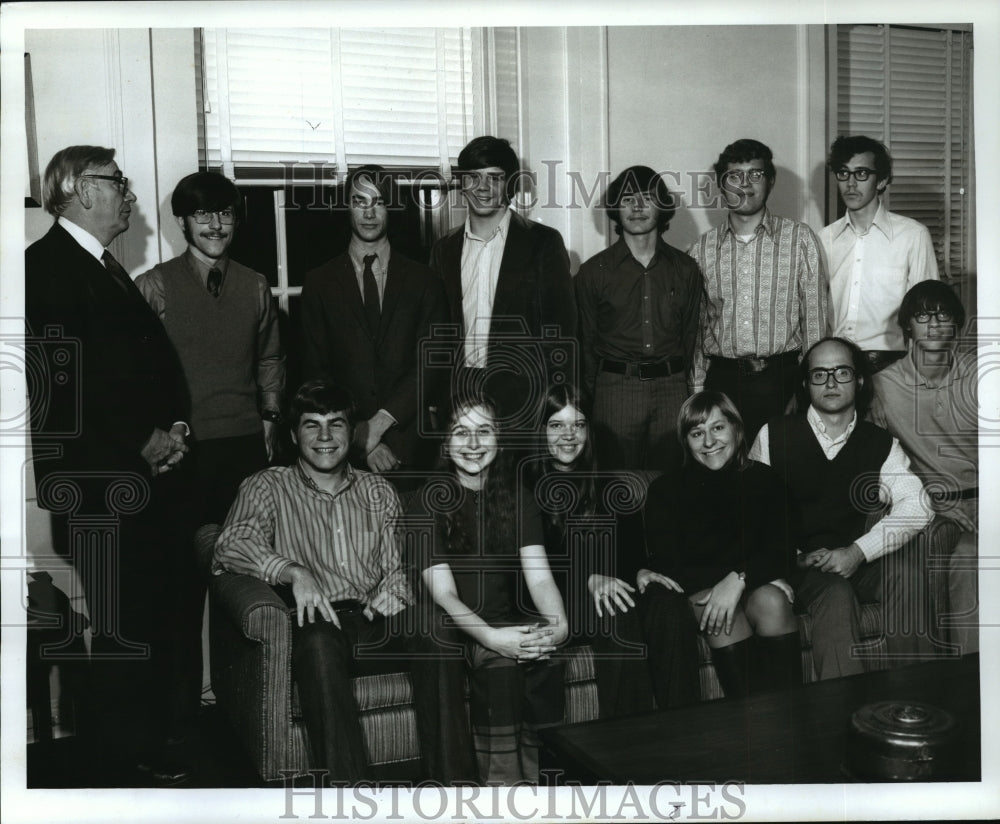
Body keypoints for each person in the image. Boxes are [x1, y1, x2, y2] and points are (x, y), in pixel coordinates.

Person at [25, 145, 191, 784]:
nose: (127, 193)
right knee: (124, 624)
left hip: (133, 479)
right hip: (97, 485)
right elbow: (65, 386)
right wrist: (141, 440)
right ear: (78, 190)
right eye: (116, 181)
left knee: (138, 617)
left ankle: (133, 751)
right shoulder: (45, 268)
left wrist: (173, 428)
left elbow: (151, 367)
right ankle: (121, 767)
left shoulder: (103, 266)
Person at [212, 381, 430, 784]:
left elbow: (402, 564)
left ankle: (456, 787)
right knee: (317, 641)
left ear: (353, 432)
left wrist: (396, 586)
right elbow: (230, 545)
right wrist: (293, 571)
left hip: (373, 620)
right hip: (317, 623)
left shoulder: (378, 490)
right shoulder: (268, 485)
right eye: (312, 425)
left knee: (435, 633)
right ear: (294, 435)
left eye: (337, 424)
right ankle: (348, 796)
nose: (326, 437)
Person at [135, 171, 285, 743]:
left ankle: (238, 706)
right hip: (183, 458)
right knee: (181, 587)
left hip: (245, 452)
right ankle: (179, 721)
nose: (216, 225)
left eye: (224, 214)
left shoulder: (254, 286)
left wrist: (270, 418)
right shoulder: (155, 287)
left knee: (243, 578)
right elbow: (139, 377)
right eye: (203, 216)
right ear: (183, 222)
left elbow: (270, 358)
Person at [749, 337, 936, 680]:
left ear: (860, 380)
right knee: (834, 593)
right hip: (799, 565)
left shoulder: (879, 443)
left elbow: (919, 506)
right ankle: (838, 716)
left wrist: (857, 552)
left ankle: (914, 697)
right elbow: (750, 516)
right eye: (819, 374)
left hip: (854, 560)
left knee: (907, 576)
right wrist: (793, 557)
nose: (831, 382)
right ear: (806, 384)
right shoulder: (773, 435)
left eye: (842, 372)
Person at [410, 392, 569, 784]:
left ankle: (545, 787)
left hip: (509, 618)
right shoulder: (425, 502)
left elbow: (540, 577)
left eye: (484, 431)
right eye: (461, 433)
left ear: (499, 438)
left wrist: (557, 625)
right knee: (502, 668)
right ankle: (501, 793)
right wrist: (493, 639)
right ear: (445, 444)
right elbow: (444, 595)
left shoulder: (519, 497)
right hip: (462, 628)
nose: (474, 444)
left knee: (544, 660)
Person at [530, 385, 700, 716]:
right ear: (540, 430)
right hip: (557, 598)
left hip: (606, 588)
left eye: (578, 425)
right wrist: (588, 580)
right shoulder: (524, 486)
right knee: (616, 611)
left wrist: (639, 571)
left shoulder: (608, 484)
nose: (569, 435)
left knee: (669, 603)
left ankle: (685, 728)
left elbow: (630, 552)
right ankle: (627, 748)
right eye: (557, 425)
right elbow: (529, 569)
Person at [641, 391, 799, 698]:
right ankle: (751, 730)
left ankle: (792, 724)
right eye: (697, 433)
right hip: (699, 588)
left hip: (747, 583)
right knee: (720, 615)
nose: (709, 441)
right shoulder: (665, 490)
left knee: (773, 601)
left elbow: (783, 549)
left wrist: (739, 578)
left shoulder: (765, 479)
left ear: (736, 429)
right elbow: (671, 564)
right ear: (685, 441)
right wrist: (736, 579)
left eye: (718, 428)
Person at [301, 165, 448, 485]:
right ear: (346, 207)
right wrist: (360, 438)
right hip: (341, 448)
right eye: (359, 201)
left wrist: (379, 424)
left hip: (412, 446)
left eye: (379, 202)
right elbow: (315, 370)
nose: (369, 212)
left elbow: (431, 362)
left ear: (392, 208)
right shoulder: (319, 282)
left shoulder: (424, 280)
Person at [428, 136, 576, 427]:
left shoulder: (543, 243)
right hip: (459, 392)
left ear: (510, 185)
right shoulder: (442, 249)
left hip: (524, 395)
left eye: (494, 178)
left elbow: (561, 331)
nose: (482, 188)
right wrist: (433, 400)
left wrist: (557, 403)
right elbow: (435, 330)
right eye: (473, 178)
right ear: (462, 184)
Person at [689, 138, 830, 439]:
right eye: (734, 176)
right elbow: (699, 330)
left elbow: (816, 325)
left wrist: (808, 390)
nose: (745, 184)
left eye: (755, 174)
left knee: (778, 472)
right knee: (725, 474)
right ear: (721, 185)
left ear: (771, 181)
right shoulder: (701, 250)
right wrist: (698, 390)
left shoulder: (800, 240)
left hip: (781, 380)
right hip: (723, 381)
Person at [871, 281, 978, 654]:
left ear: (957, 327)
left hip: (986, 500)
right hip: (932, 506)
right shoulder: (881, 387)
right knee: (968, 560)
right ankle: (965, 683)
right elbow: (880, 466)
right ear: (907, 328)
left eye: (943, 315)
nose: (933, 324)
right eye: (922, 316)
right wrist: (935, 500)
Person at [575, 166, 702, 469]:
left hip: (672, 388)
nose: (637, 207)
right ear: (616, 209)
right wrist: (595, 398)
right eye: (628, 198)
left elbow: (691, 336)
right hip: (615, 389)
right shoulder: (594, 273)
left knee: (670, 485)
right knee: (616, 485)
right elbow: (586, 343)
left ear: (662, 207)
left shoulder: (685, 269)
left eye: (647, 198)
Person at [819, 135, 939, 373]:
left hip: (892, 364)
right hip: (838, 365)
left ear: (882, 180)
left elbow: (927, 315)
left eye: (861, 174)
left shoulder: (913, 235)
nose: (851, 184)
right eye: (844, 173)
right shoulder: (824, 239)